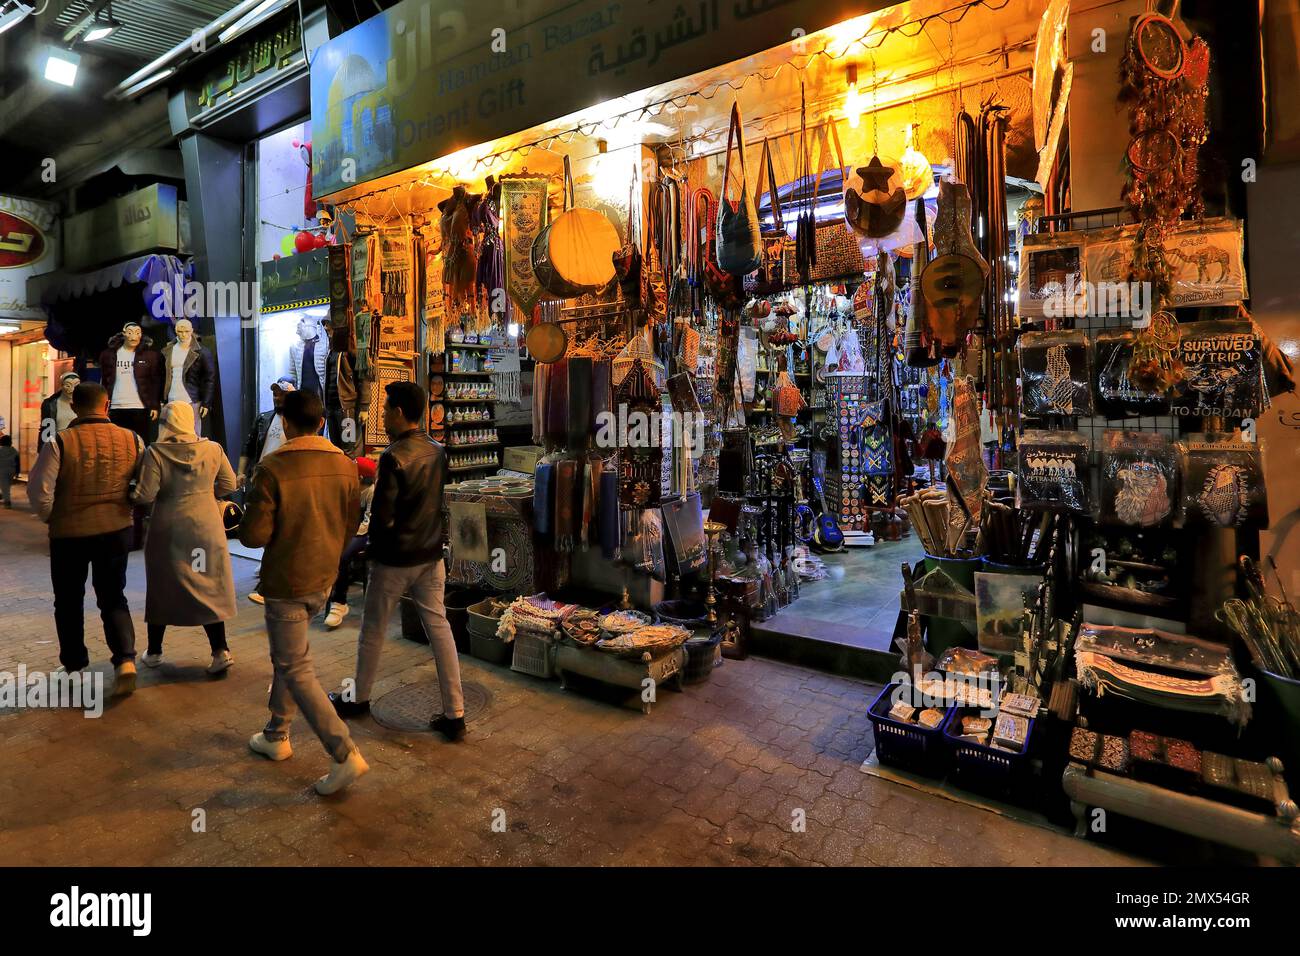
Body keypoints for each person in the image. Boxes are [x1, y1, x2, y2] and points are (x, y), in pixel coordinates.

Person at [237, 389, 369, 795]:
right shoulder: (346, 467)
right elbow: (350, 525)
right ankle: (277, 734)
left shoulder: (273, 467)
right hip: (324, 577)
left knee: (295, 666)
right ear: (322, 423)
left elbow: (255, 536)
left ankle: (343, 752)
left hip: (287, 581)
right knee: (288, 657)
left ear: (286, 424)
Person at [329, 381, 466, 742]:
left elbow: (383, 517)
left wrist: (370, 553)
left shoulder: (393, 456)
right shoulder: (437, 450)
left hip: (396, 559)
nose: (384, 415)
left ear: (400, 412)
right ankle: (455, 713)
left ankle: (358, 697)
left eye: (387, 408)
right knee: (440, 629)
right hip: (430, 555)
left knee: (373, 629)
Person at [27, 382, 142, 694]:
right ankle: (125, 661)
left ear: (74, 407)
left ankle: (75, 666)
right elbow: (142, 485)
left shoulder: (60, 442)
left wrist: (52, 515)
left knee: (68, 600)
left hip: (70, 535)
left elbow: (39, 491)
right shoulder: (132, 439)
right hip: (116, 530)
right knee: (113, 596)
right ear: (106, 406)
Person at [131, 401, 239, 674]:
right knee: (208, 583)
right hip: (206, 526)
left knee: (163, 584)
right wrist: (205, 493)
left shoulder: (156, 452)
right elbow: (229, 484)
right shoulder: (213, 449)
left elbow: (145, 495)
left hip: (170, 528)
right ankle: (220, 650)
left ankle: (154, 652)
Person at [239, 377, 295, 606]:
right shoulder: (264, 418)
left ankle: (271, 573)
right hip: (262, 476)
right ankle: (267, 560)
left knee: (281, 524)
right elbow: (249, 445)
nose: (276, 397)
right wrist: (241, 471)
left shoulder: (297, 421)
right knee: (263, 522)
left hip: (286, 479)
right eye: (274, 393)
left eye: (281, 394)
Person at [323, 456, 377, 629]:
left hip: (366, 533)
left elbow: (369, 522)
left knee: (343, 554)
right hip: (347, 530)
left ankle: (339, 602)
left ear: (360, 477)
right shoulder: (346, 488)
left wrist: (347, 535)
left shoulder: (372, 492)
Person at [40, 372, 81, 442]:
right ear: (61, 386)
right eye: (68, 385)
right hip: (58, 445)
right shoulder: (50, 404)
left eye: (76, 385)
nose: (72, 389)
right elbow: (45, 430)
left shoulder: (85, 403)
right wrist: (43, 449)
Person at [0, 434, 18, 508]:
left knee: (5, 486)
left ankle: (7, 502)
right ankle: (3, 495)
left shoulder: (0, 450)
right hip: (11, 470)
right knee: (7, 485)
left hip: (2, 470)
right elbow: (17, 461)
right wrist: (17, 472)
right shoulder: (13, 450)